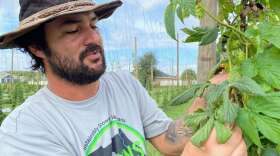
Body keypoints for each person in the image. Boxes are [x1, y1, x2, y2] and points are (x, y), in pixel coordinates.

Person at [0, 0, 247, 155]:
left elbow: (168, 140)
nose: (94, 39)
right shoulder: (24, 131)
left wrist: (206, 96)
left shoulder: (123, 84)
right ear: (37, 48)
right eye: (73, 30)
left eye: (94, 25)